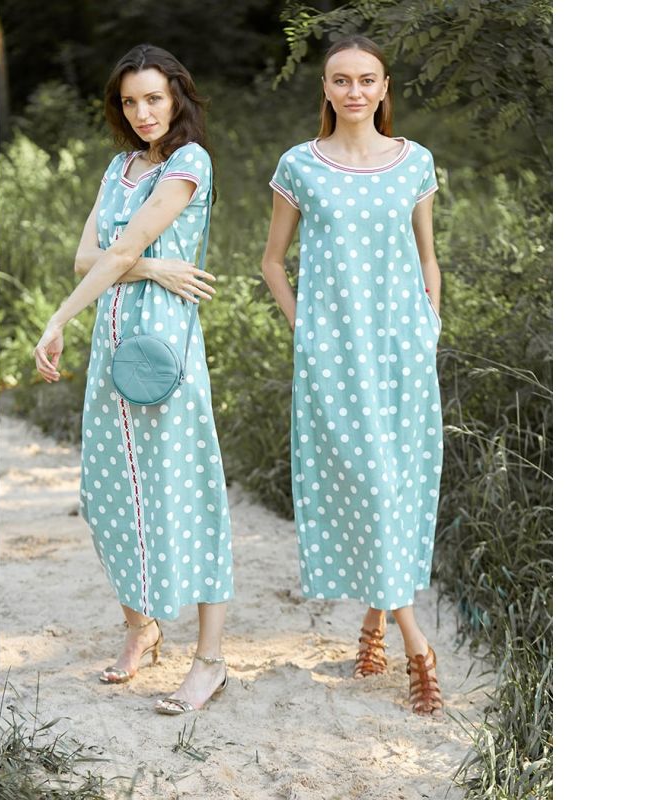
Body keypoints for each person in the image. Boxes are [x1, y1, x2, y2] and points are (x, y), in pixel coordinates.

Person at [34, 44, 231, 715]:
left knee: (187, 488)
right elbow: (88, 255)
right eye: (129, 101)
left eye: (154, 97)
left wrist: (58, 317)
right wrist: (151, 266)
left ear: (176, 96)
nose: (143, 112)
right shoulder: (119, 169)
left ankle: (209, 660)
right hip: (112, 348)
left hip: (164, 350)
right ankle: (141, 627)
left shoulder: (189, 162)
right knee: (108, 488)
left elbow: (115, 249)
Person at [261, 35, 444, 715]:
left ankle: (373, 628)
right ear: (326, 89)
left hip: (402, 351)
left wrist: (430, 326)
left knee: (395, 484)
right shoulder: (299, 165)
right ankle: (417, 645)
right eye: (341, 80)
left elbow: (427, 256)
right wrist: (305, 330)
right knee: (369, 480)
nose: (355, 91)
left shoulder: (414, 162)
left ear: (385, 87)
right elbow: (271, 262)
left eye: (367, 79)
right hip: (335, 357)